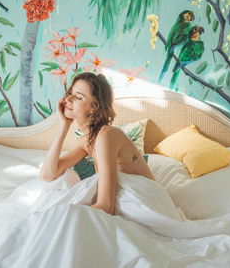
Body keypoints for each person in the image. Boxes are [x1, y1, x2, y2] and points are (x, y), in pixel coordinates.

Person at [39, 72, 155, 215]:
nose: (68, 98)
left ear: (93, 107)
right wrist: (64, 127)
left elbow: (106, 206)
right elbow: (47, 175)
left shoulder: (106, 136)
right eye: (70, 92)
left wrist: (65, 214)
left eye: (78, 97)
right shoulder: (85, 141)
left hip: (144, 205)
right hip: (126, 206)